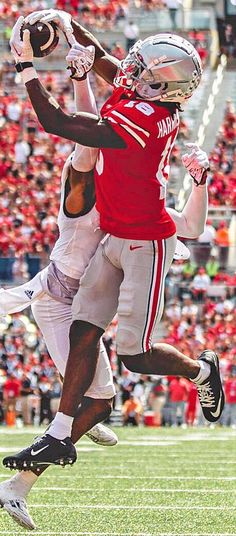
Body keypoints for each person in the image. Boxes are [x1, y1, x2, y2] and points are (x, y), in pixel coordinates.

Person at [4, 10, 224, 473]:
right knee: (84, 330)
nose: (131, 73)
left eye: (143, 72)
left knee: (134, 356)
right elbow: (108, 62)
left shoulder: (144, 122)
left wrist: (25, 68)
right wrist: (68, 26)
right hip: (116, 233)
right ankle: (58, 437)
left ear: (161, 88)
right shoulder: (150, 98)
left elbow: (56, 122)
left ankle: (202, 371)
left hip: (146, 242)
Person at [0, 64, 117, 531]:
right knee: (96, 401)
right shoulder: (82, 188)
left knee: (101, 401)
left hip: (79, 302)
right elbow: (86, 134)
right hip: (58, 301)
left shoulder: (119, 192)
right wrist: (81, 78)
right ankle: (22, 482)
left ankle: (65, 432)